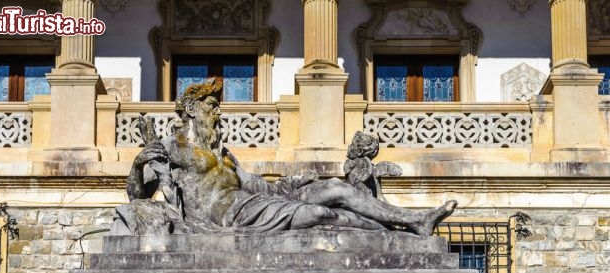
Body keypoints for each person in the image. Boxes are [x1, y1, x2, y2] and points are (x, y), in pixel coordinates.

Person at [113, 79, 457, 237]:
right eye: (212, 106)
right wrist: (138, 162)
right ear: (191, 109)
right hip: (229, 216)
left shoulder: (224, 154)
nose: (218, 114)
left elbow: (253, 184)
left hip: (255, 201)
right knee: (321, 213)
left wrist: (292, 183)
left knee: (335, 187)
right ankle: (394, 233)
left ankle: (413, 220)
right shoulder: (172, 150)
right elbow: (137, 197)